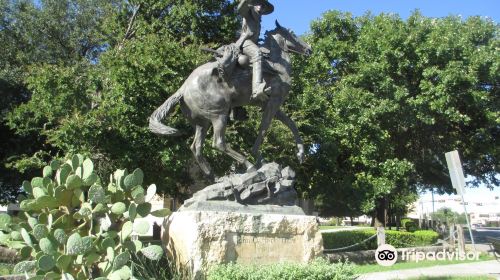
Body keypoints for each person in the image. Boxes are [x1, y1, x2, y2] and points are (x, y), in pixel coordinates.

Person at [235, 0, 274, 101]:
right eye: (258, 4)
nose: (261, 6)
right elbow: (240, 9)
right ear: (253, 4)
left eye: (263, 5)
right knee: (258, 54)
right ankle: (256, 88)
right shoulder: (248, 13)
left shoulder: (258, 19)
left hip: (253, 44)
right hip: (245, 42)